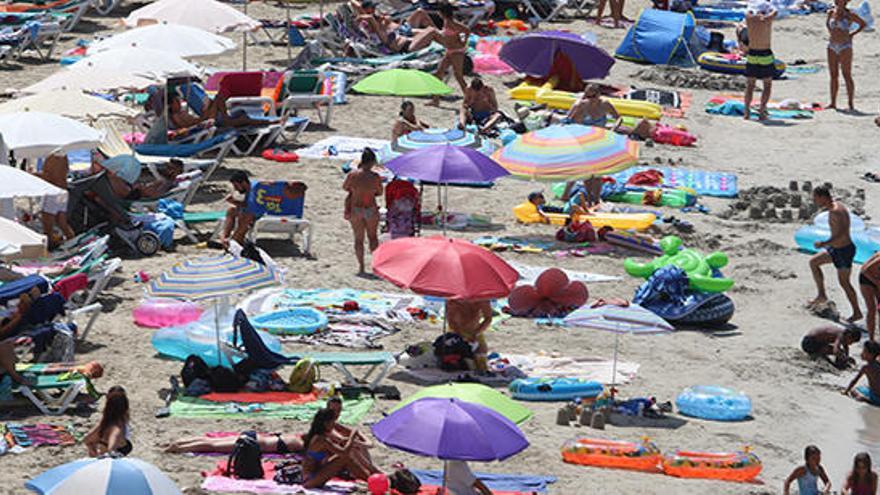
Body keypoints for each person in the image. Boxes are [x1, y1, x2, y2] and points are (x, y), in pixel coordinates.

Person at [808, 185, 862, 322]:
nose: (815, 202)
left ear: (822, 197)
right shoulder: (836, 206)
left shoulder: (836, 211)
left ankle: (857, 312)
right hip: (835, 249)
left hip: (844, 251)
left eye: (816, 198)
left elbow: (842, 234)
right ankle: (822, 295)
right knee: (814, 262)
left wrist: (823, 243)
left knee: (845, 283)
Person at [301, 408, 380, 488]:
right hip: (310, 479)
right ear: (326, 423)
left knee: (345, 457)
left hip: (316, 474)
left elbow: (338, 448)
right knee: (345, 458)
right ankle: (371, 480)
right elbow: (343, 452)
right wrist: (352, 437)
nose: (334, 424)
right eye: (332, 422)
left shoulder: (321, 436)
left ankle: (370, 478)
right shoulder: (320, 439)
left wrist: (347, 441)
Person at [411, 4, 469, 103]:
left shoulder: (452, 23)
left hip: (457, 52)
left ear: (442, 13)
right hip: (450, 51)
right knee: (439, 73)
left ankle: (470, 99)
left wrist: (463, 42)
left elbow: (466, 30)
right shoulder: (446, 22)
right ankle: (435, 99)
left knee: (458, 76)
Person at [343, 149, 383, 275]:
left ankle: (361, 267)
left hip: (356, 208)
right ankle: (376, 266)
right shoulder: (375, 177)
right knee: (373, 238)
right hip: (370, 207)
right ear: (372, 162)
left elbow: (345, 187)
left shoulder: (353, 175)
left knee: (358, 239)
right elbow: (379, 192)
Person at [826, 0, 866, 111]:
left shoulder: (849, 15)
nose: (838, 2)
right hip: (832, 45)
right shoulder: (830, 12)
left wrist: (851, 34)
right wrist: (832, 32)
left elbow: (863, 24)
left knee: (846, 74)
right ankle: (833, 102)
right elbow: (827, 24)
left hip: (845, 46)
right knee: (833, 75)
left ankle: (850, 103)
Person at [743, 2, 778, 121]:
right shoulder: (766, 20)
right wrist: (769, 8)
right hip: (765, 54)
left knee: (750, 86)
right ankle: (762, 111)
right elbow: (775, 11)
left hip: (752, 54)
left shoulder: (749, 19)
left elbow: (747, 11)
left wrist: (753, 10)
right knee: (767, 85)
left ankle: (746, 111)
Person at [36, 154, 75, 247]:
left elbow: (50, 177)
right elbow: (60, 174)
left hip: (53, 192)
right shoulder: (63, 155)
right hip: (62, 191)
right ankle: (73, 243)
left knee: (48, 224)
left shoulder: (52, 157)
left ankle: (49, 247)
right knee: (62, 223)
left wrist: (32, 175)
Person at [84, 386, 133, 457]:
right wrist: (111, 452)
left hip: (102, 462)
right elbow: (112, 447)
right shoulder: (117, 427)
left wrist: (93, 452)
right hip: (110, 464)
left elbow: (87, 440)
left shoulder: (106, 422)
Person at [445, 299, 493, 372]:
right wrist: (461, 335)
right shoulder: (453, 298)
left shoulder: (482, 298)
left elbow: (488, 318)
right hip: (456, 332)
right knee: (456, 361)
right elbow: (451, 321)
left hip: (475, 332)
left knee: (480, 359)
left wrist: (476, 333)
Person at [164, 432, 304, 454]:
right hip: (254, 443)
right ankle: (178, 448)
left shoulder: (297, 436)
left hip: (254, 435)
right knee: (212, 446)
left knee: (212, 441)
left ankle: (179, 442)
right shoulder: (300, 445)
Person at [220, 171, 258, 248]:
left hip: (258, 213)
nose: (236, 189)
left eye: (236, 186)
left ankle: (234, 241)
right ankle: (225, 237)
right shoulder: (249, 188)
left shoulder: (255, 189)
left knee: (244, 216)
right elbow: (247, 204)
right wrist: (234, 202)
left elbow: (252, 207)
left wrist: (234, 202)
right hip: (252, 211)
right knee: (231, 210)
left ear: (243, 183)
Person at [844, 341, 880, 405]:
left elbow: (854, 380)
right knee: (865, 388)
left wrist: (846, 391)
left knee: (854, 390)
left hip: (876, 398)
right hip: (876, 395)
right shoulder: (878, 365)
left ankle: (866, 400)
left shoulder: (866, 368)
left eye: (864, 351)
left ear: (871, 355)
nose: (861, 353)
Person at [860, 252, 880, 341]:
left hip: (877, 279)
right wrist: (878, 283)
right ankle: (871, 339)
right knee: (872, 309)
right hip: (867, 278)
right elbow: (865, 270)